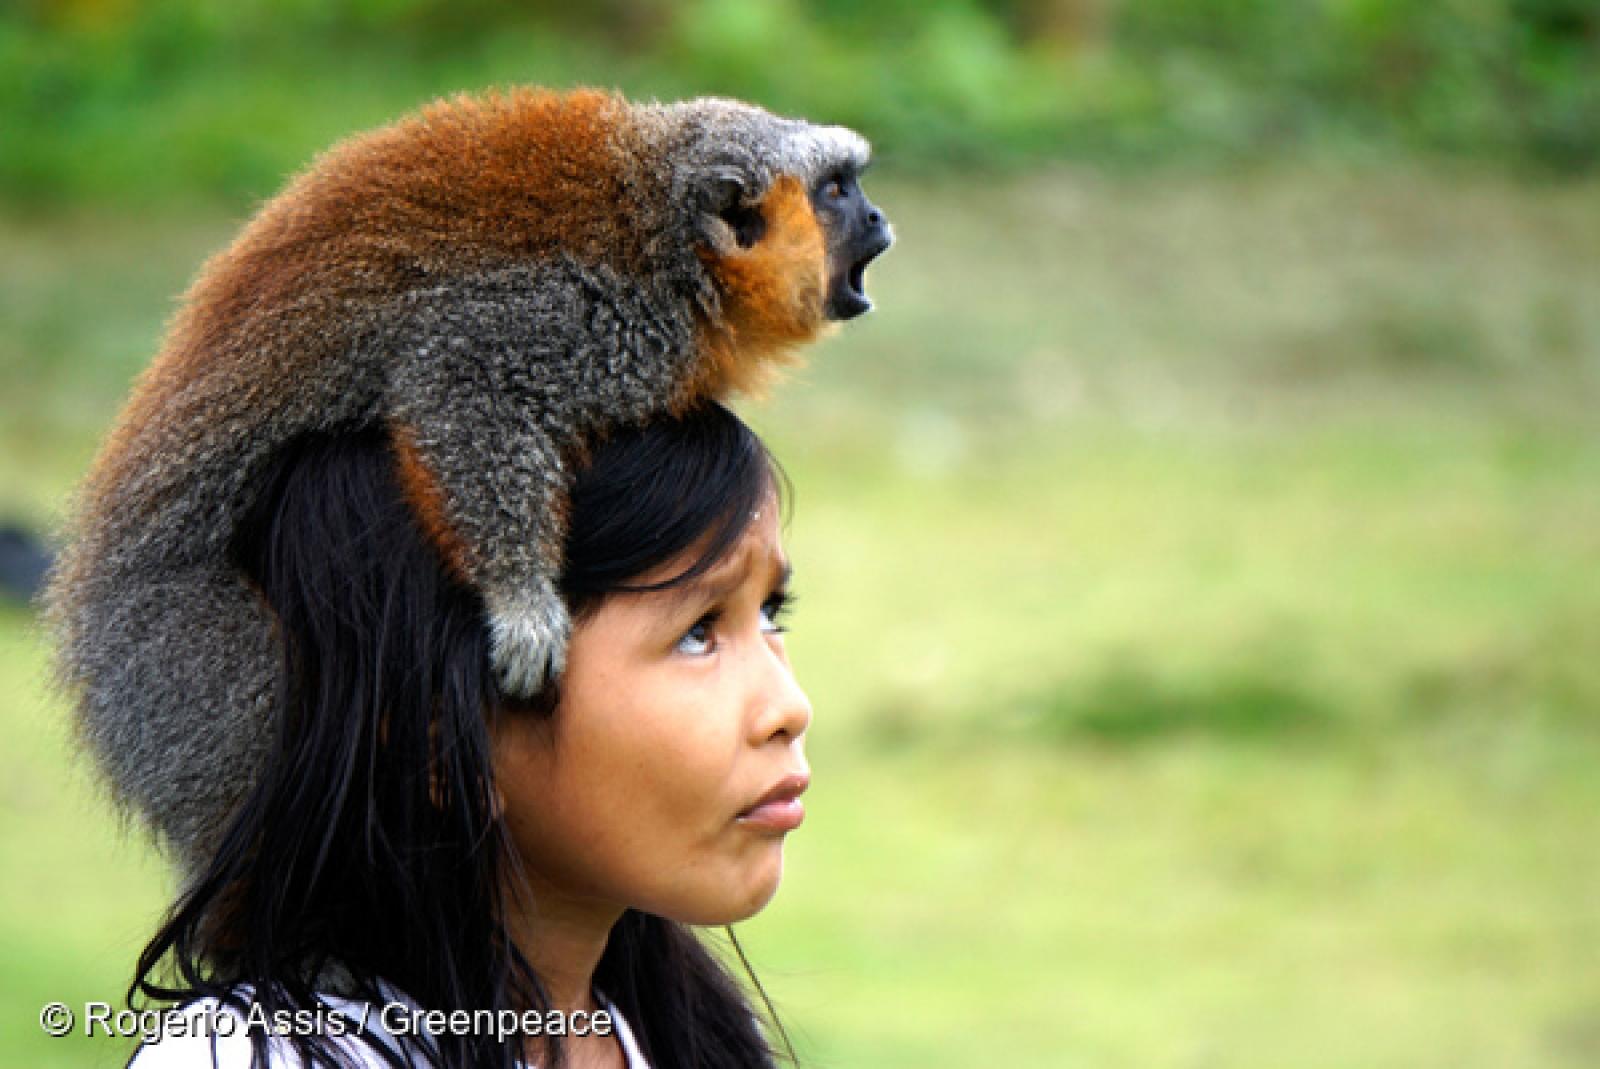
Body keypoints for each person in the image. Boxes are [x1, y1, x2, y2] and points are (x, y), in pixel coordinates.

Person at [124, 401, 812, 1068]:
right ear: (446, 741)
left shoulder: (698, 1040)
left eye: (771, 612)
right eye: (697, 632)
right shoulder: (258, 1056)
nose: (789, 705)